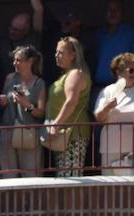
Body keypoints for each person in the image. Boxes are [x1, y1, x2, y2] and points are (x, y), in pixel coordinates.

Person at [95, 51, 134, 174]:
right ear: (118, 72)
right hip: (111, 147)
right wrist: (107, 107)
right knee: (111, 185)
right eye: (131, 70)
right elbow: (99, 118)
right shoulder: (107, 91)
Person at [46, 37, 93, 176]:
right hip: (63, 134)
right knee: (64, 176)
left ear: (73, 55)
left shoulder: (76, 74)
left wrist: (55, 125)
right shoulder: (66, 74)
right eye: (56, 52)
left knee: (70, 178)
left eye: (60, 52)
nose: (56, 55)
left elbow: (71, 102)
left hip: (72, 134)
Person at [0, 46, 48, 177]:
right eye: (14, 60)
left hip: (28, 133)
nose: (15, 63)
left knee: (31, 175)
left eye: (18, 60)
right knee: (8, 175)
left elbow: (41, 113)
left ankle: (31, 199)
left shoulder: (39, 83)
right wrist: (3, 101)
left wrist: (27, 105)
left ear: (30, 61)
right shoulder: (10, 78)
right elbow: (4, 102)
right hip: (7, 131)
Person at [91, 0, 134, 92]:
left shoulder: (133, 33)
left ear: (122, 13)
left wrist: (130, 88)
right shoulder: (97, 35)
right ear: (105, 13)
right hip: (98, 89)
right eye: (110, 10)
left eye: (117, 10)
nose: (113, 13)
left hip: (124, 89)